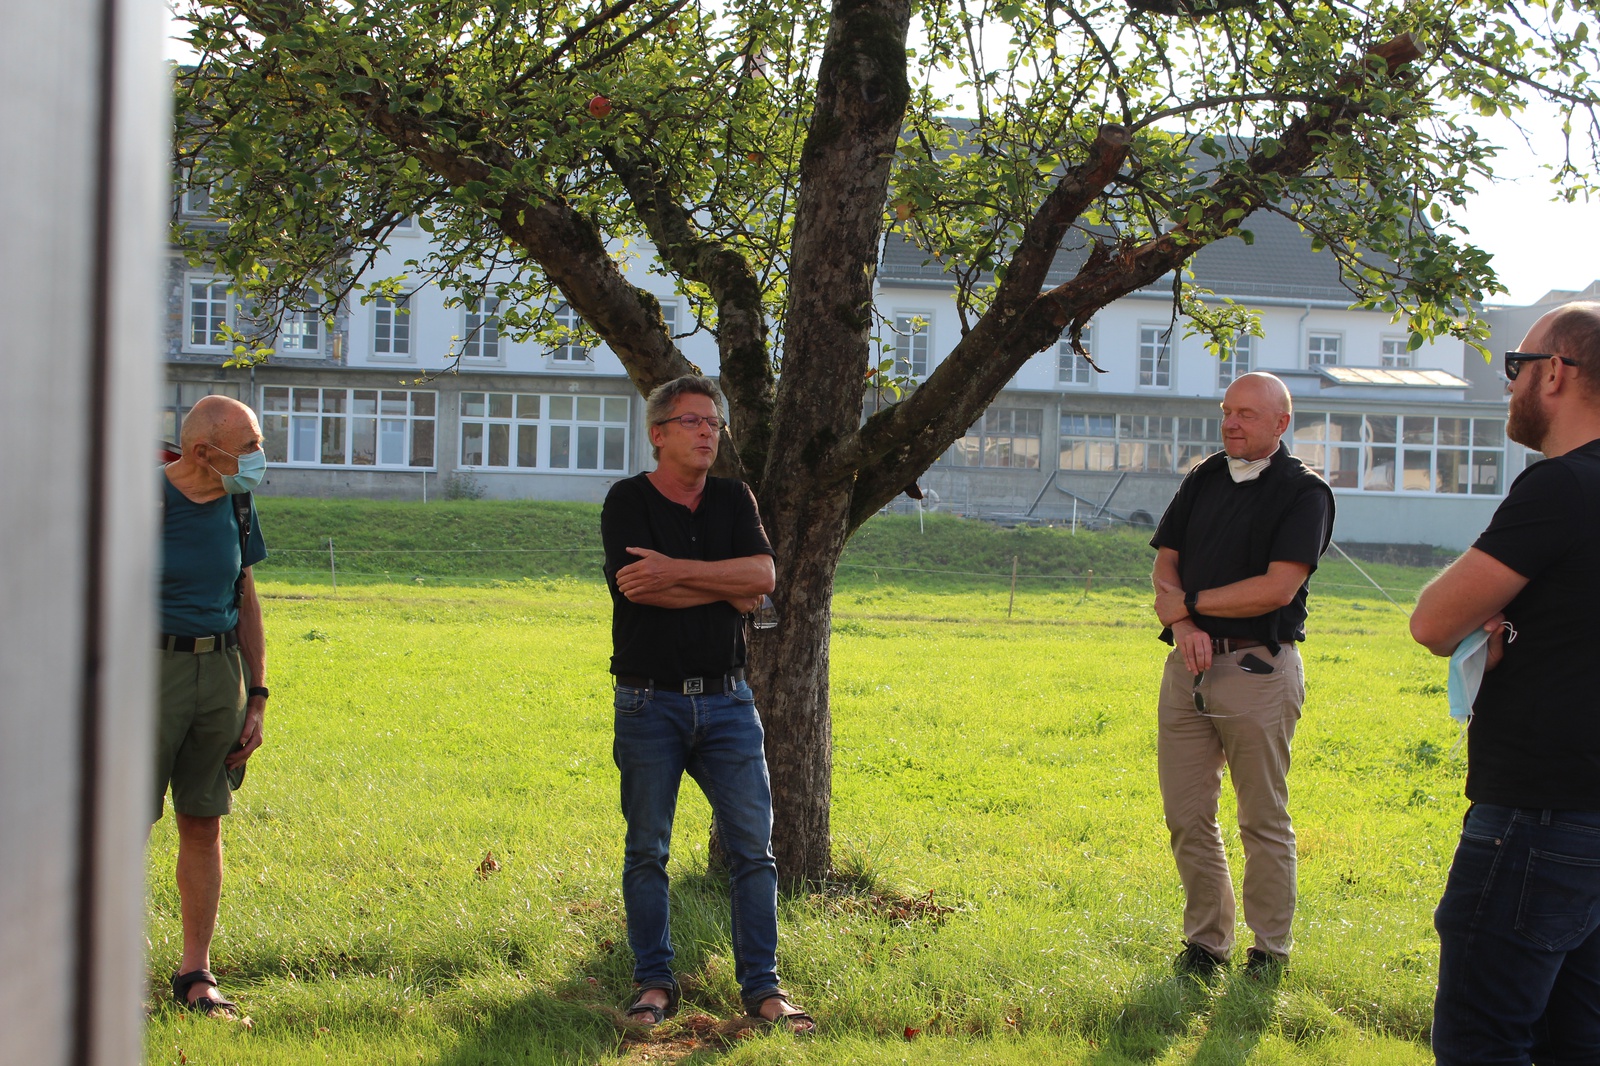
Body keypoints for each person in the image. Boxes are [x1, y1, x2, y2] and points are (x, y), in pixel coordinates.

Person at [1410, 301, 1600, 1065]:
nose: (1509, 383)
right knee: (1575, 1042)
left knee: (1481, 1040)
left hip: (1540, 814)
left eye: (1516, 366)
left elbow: (1432, 622)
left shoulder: (1562, 487)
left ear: (1556, 373)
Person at [600, 375, 813, 1033]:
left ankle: (764, 992)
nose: (706, 433)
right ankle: (654, 984)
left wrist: (676, 571)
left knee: (754, 851)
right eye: (692, 421)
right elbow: (639, 590)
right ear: (658, 433)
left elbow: (763, 578)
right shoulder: (627, 500)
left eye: (714, 423)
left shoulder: (732, 498)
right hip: (648, 702)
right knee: (647, 850)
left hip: (727, 701)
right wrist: (724, 585)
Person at [1148, 371, 1334, 978]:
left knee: (1261, 819)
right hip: (1188, 666)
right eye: (1227, 410)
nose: (1231, 422)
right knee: (1186, 816)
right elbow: (1166, 564)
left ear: (1282, 423)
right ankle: (1207, 944)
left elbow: (1276, 588)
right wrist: (1184, 625)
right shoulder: (1204, 476)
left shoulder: (1304, 492)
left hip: (1258, 669)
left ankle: (1270, 951)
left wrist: (1188, 605)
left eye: (1246, 414)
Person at [156, 394, 270, 1017]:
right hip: (145, 673)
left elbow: (245, 596)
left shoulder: (239, 503)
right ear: (203, 451)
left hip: (220, 671)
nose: (259, 457)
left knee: (204, 822)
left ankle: (195, 975)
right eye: (249, 446)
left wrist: (257, 695)